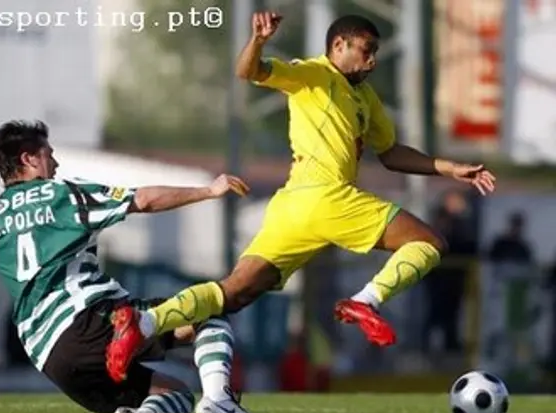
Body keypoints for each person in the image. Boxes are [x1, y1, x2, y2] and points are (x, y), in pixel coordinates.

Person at [109, 12, 498, 374]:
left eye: (376, 52)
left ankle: (144, 322)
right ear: (339, 46)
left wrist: (450, 168)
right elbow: (250, 71)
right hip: (328, 197)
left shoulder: (366, 99)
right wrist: (258, 41)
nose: (373, 61)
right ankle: (366, 301)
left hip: (292, 207)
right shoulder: (312, 73)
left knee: (235, 293)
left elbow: (392, 154)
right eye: (366, 51)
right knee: (430, 242)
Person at [0, 120, 267, 413]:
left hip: (51, 358)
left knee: (177, 395)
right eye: (49, 153)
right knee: (208, 316)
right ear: (29, 158)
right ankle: (219, 402)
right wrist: (209, 191)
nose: (56, 162)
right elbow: (142, 200)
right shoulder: (62, 195)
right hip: (92, 319)